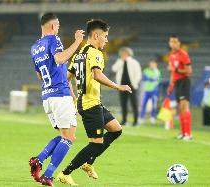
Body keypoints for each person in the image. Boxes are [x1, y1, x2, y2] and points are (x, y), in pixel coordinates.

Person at [56, 19, 132, 185]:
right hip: (90, 105)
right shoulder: (95, 53)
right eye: (105, 36)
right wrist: (118, 86)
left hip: (90, 103)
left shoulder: (80, 53)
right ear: (96, 35)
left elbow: (66, 78)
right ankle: (65, 173)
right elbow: (97, 75)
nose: (106, 39)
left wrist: (74, 97)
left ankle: (88, 163)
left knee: (116, 130)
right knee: (96, 144)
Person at [29, 13, 84, 186]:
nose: (58, 29)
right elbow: (60, 58)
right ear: (53, 26)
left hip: (48, 96)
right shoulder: (54, 40)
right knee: (69, 138)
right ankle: (48, 174)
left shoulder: (34, 48)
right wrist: (77, 41)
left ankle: (38, 160)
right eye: (58, 26)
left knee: (64, 136)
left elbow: (39, 75)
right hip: (59, 95)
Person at [167, 35, 193, 141]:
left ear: (179, 43)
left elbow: (189, 70)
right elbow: (172, 72)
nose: (173, 44)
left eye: (175, 42)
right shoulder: (171, 55)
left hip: (184, 82)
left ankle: (188, 134)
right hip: (177, 83)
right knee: (179, 109)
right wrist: (171, 84)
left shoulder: (183, 54)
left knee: (184, 107)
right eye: (172, 42)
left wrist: (177, 70)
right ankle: (183, 133)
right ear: (169, 43)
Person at [112, 47, 142, 126]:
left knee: (134, 104)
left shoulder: (134, 62)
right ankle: (124, 120)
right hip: (122, 86)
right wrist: (121, 61)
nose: (123, 55)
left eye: (124, 53)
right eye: (122, 53)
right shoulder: (119, 61)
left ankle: (136, 121)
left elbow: (138, 74)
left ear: (128, 53)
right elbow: (114, 69)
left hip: (132, 86)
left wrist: (134, 83)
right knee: (123, 104)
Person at [139, 59, 161, 124]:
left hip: (154, 91)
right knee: (143, 104)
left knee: (154, 105)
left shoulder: (157, 71)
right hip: (146, 90)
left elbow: (157, 80)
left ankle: (152, 117)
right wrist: (150, 78)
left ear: (156, 65)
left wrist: (150, 78)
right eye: (151, 64)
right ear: (149, 64)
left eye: (153, 64)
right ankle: (141, 118)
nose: (152, 65)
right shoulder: (146, 71)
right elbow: (143, 78)